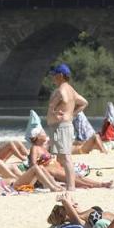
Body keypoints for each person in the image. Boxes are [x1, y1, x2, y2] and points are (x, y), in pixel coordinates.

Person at [46, 63, 88, 191]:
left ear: (60, 75)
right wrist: (72, 113)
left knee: (65, 157)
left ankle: (71, 186)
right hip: (65, 125)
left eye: (54, 75)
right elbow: (84, 103)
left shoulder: (60, 90)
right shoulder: (71, 89)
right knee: (60, 157)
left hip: (60, 126)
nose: (53, 78)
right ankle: (69, 183)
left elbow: (52, 106)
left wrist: (54, 112)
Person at [29, 126, 112, 189]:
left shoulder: (44, 147)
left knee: (77, 177)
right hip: (52, 171)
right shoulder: (35, 148)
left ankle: (99, 183)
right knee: (72, 178)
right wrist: (45, 172)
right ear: (38, 137)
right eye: (43, 133)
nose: (45, 134)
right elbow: (33, 164)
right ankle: (99, 185)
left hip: (57, 168)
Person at [0, 135, 64, 192]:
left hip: (18, 181)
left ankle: (54, 185)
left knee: (39, 167)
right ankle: (52, 187)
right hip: (15, 184)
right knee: (35, 168)